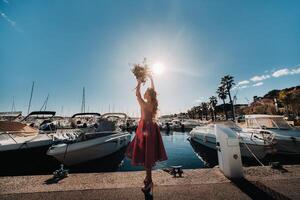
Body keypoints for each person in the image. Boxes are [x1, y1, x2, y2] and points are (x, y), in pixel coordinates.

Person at [125, 74, 168, 194]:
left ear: (148, 95)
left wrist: (139, 82)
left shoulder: (144, 104)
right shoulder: (154, 103)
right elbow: (151, 92)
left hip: (145, 129)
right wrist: (152, 79)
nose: (144, 93)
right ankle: (148, 179)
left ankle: (149, 182)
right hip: (152, 129)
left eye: (146, 93)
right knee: (147, 154)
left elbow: (137, 94)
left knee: (146, 155)